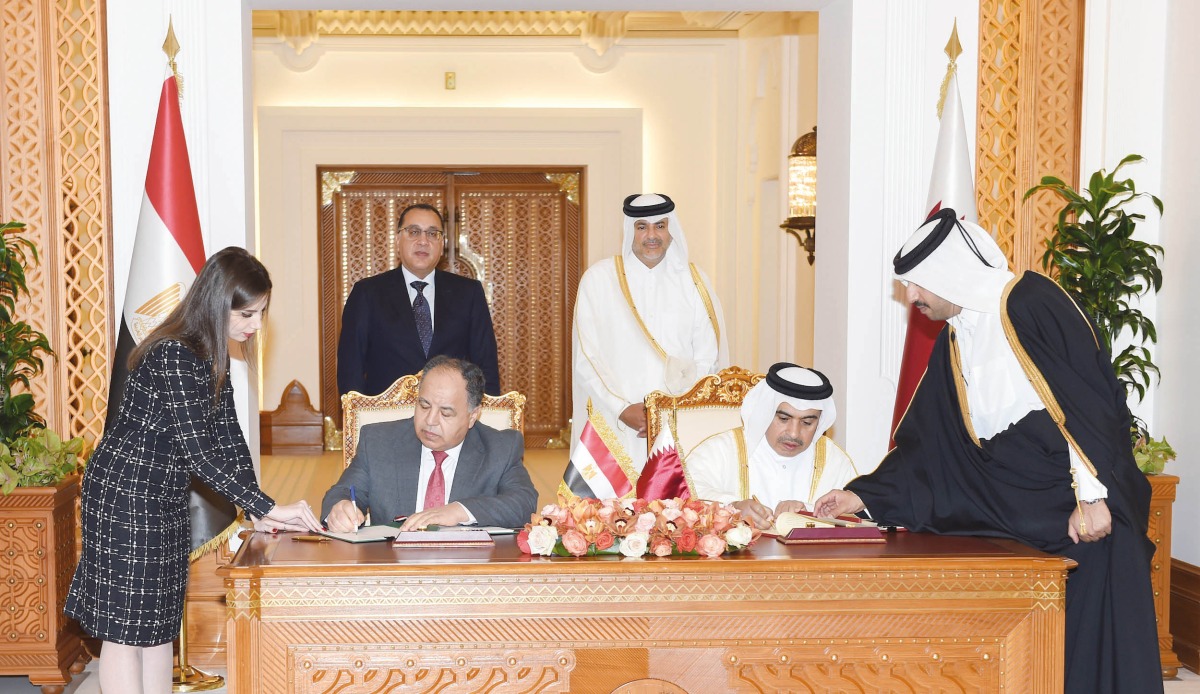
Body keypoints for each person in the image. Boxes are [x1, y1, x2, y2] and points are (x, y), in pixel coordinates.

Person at [814, 208, 1162, 694]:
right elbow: (930, 446)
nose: (911, 296)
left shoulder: (1030, 302)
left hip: (1075, 506)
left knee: (1088, 621)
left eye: (916, 283)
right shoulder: (956, 338)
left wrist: (1092, 496)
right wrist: (865, 496)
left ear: (948, 272)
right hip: (1013, 501)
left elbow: (1090, 405)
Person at [65, 247, 322, 694]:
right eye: (247, 313)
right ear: (216, 303)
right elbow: (201, 454)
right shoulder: (174, 354)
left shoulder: (213, 356)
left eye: (261, 313)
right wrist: (266, 506)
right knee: (126, 631)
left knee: (161, 623)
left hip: (163, 497)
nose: (255, 325)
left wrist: (258, 509)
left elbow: (229, 440)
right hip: (125, 498)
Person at [563, 193, 728, 497]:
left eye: (659, 226)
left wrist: (671, 411)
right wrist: (622, 407)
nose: (651, 236)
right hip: (615, 424)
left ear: (671, 229)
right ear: (630, 231)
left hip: (676, 425)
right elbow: (587, 357)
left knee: (675, 524)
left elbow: (708, 359)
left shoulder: (695, 283)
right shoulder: (599, 280)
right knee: (608, 522)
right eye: (642, 227)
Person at [322, 355, 537, 531]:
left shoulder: (501, 448)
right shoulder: (379, 442)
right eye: (424, 406)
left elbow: (524, 502)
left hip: (467, 574)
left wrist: (458, 511)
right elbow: (341, 493)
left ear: (473, 416)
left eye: (446, 413)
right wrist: (339, 509)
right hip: (394, 573)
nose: (430, 421)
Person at [337, 203, 501, 396]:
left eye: (432, 234)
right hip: (387, 419)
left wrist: (487, 420)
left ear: (442, 244)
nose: (423, 241)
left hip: (451, 418)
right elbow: (351, 370)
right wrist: (358, 422)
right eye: (414, 232)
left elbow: (486, 367)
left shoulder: (469, 293)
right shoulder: (367, 293)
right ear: (398, 240)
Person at [686, 363, 858, 529]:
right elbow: (683, 496)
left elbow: (858, 518)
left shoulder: (833, 460)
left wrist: (808, 511)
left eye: (807, 422)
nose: (794, 433)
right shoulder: (721, 450)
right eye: (783, 419)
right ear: (765, 413)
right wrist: (733, 508)